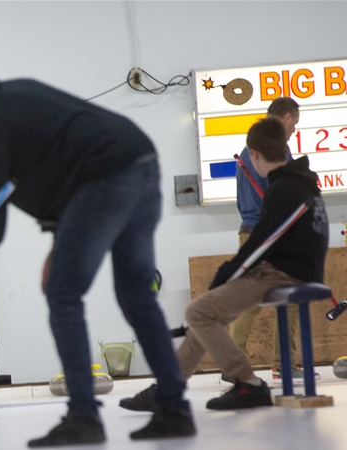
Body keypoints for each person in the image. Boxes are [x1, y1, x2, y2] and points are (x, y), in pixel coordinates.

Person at [0, 64, 194, 447]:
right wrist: (57, 240)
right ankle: (174, 408)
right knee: (136, 294)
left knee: (63, 294)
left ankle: (84, 416)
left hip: (104, 179)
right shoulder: (5, 98)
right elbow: (58, 160)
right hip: (140, 161)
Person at [120, 118, 328, 412]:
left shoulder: (287, 189)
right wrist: (224, 280)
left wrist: (223, 276)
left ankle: (248, 383)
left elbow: (260, 243)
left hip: (285, 274)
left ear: (253, 154)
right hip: (286, 269)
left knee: (198, 312)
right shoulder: (298, 183)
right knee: (204, 317)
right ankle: (169, 387)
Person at [227, 96, 302, 380]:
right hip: (271, 233)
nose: (294, 128)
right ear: (285, 118)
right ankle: (284, 364)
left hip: (249, 231)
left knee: (250, 299)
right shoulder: (277, 148)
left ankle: (232, 364)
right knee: (290, 299)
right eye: (294, 122)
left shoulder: (250, 148)